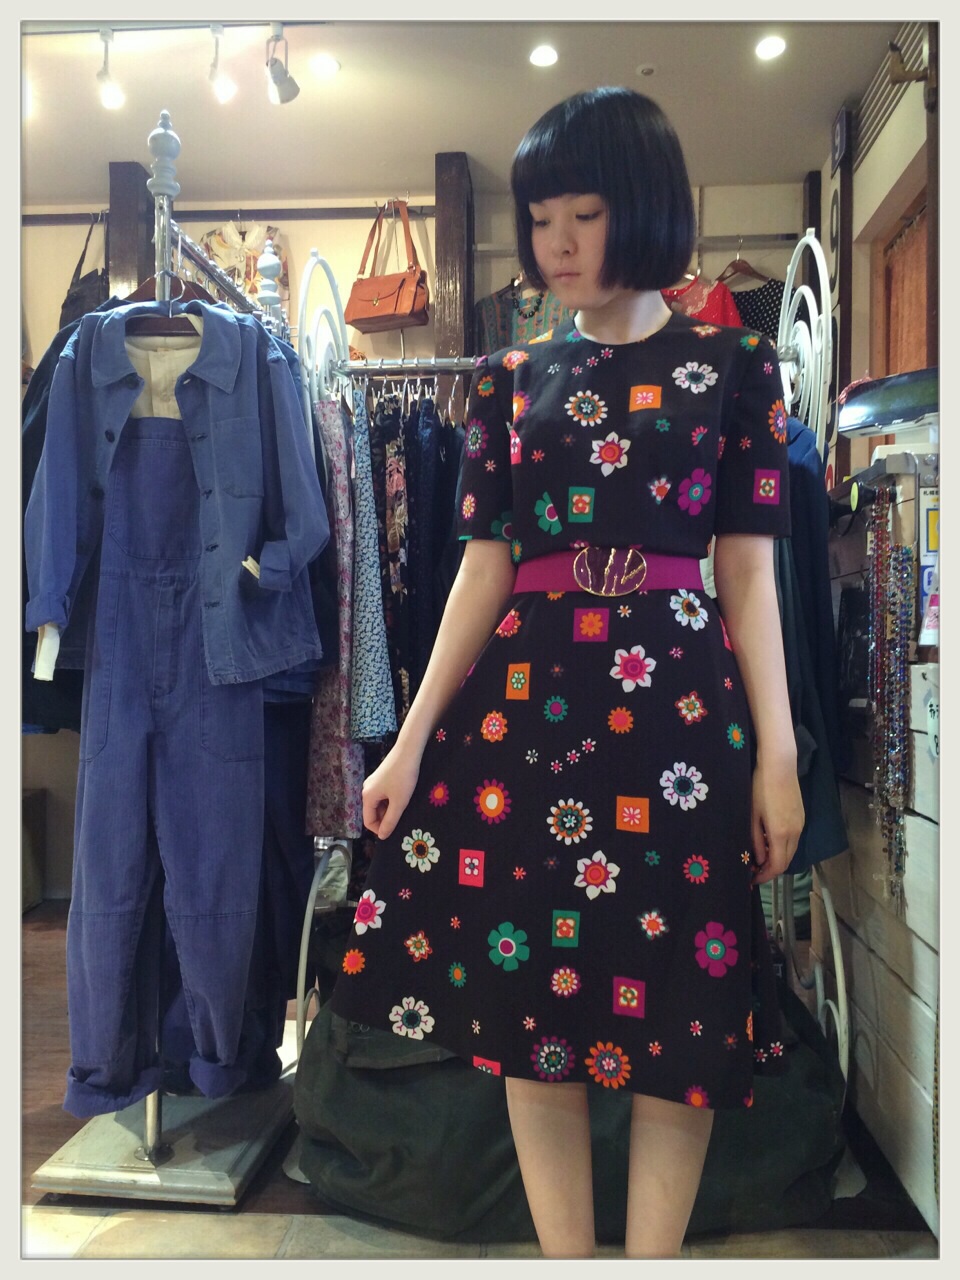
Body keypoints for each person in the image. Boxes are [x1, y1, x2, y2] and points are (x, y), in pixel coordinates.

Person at [328, 87, 804, 1258]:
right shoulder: (506, 376)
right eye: (542, 220)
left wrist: (782, 755)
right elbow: (481, 571)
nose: (559, 244)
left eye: (584, 214)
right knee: (529, 1009)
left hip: (681, 717)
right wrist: (409, 741)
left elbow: (749, 574)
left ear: (643, 209)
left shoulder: (734, 365)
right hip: (526, 722)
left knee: (681, 1015)